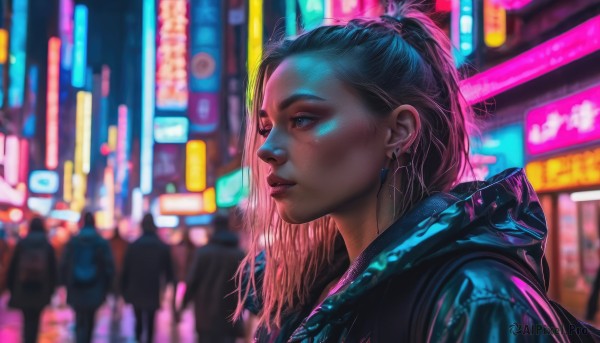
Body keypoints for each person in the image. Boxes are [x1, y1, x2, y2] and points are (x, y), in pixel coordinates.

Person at [233, 2, 600, 342]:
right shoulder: (318, 289)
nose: (267, 150)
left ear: (398, 131)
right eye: (267, 127)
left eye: (302, 119)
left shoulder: (478, 299)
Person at [179, 215, 246, 343]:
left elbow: (192, 281)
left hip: (205, 317)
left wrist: (182, 306)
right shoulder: (238, 254)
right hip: (230, 316)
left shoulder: (203, 253)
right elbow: (244, 285)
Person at [61, 212, 114, 343]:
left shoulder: (73, 242)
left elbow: (64, 264)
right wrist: (108, 287)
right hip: (95, 286)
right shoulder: (101, 242)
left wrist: (64, 283)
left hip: (76, 286)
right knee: (90, 318)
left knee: (79, 318)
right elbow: (109, 267)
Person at [121, 213, 175, 343]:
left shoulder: (133, 246)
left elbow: (125, 270)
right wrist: (167, 284)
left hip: (136, 287)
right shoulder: (162, 246)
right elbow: (169, 271)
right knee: (151, 320)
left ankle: (138, 338)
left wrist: (124, 290)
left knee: (138, 319)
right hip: (153, 287)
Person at [6, 218, 57, 343]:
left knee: (26, 318)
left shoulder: (22, 244)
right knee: (36, 319)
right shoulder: (47, 245)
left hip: (23, 287)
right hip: (41, 289)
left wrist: (10, 288)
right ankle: (32, 339)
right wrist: (51, 291)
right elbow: (53, 270)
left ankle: (27, 339)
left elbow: (12, 267)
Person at [108, 225, 128, 320]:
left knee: (114, 291)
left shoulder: (110, 243)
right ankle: (116, 306)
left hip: (113, 271)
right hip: (120, 271)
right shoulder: (123, 243)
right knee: (117, 291)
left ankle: (115, 306)